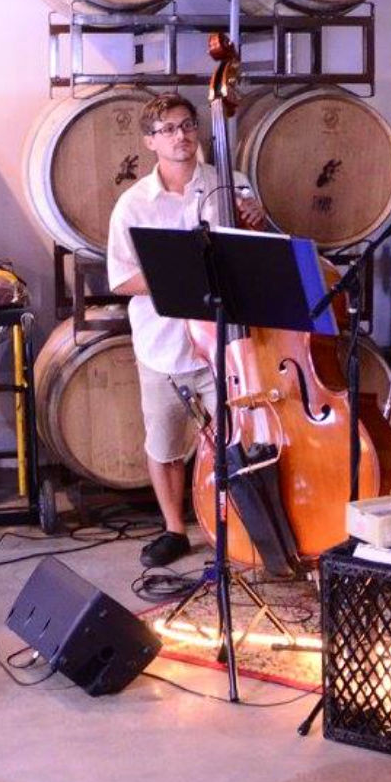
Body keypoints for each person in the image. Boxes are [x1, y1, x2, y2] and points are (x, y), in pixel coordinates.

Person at [105, 93, 263, 570]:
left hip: (224, 343)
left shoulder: (229, 185)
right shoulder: (132, 204)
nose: (182, 136)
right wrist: (175, 278)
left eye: (187, 125)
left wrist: (256, 221)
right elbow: (120, 278)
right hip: (163, 344)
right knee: (166, 443)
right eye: (169, 129)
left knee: (233, 440)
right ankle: (175, 529)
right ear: (150, 141)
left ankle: (230, 526)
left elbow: (253, 257)